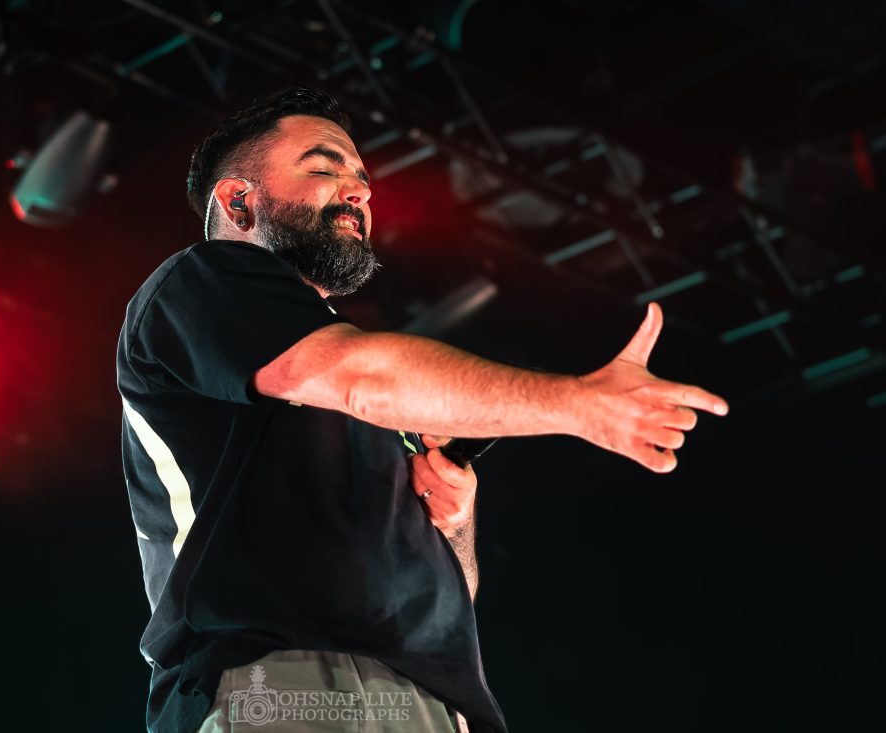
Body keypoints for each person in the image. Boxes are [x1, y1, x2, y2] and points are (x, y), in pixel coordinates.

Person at [117, 86, 727, 733]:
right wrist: (579, 404)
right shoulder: (200, 285)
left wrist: (454, 522)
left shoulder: (371, 378)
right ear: (238, 199)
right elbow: (359, 375)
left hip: (434, 704)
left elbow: (452, 592)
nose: (359, 190)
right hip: (279, 684)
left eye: (362, 177)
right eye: (325, 167)